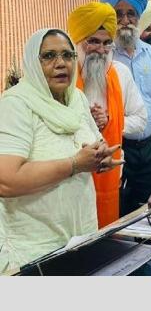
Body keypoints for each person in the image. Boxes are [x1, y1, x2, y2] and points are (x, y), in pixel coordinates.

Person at [0, 28, 122, 273]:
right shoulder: (16, 105)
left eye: (67, 55)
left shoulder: (77, 98)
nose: (60, 63)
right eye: (49, 56)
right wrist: (74, 164)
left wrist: (99, 157)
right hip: (33, 250)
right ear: (32, 62)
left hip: (80, 236)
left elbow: (91, 144)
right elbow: (6, 181)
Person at [67, 1, 147, 226]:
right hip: (72, 177)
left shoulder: (120, 73)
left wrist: (111, 120)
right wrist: (87, 123)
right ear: (77, 42)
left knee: (106, 235)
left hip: (109, 175)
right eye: (93, 41)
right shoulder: (64, 78)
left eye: (106, 43)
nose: (101, 50)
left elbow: (141, 119)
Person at [100, 0, 151, 216]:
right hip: (119, 146)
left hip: (150, 149)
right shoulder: (104, 55)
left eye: (131, 13)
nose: (125, 20)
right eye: (118, 14)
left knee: (149, 213)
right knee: (120, 212)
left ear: (139, 16)